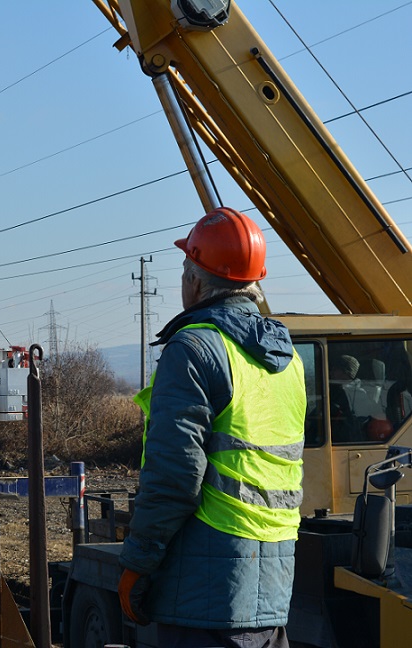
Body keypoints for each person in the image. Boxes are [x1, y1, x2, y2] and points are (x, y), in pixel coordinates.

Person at [118, 207, 306, 648]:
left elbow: (174, 474)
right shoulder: (290, 362)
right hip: (274, 581)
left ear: (195, 281)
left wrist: (137, 564)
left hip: (205, 594)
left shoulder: (194, 349)